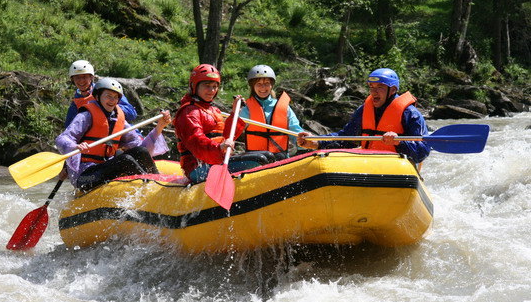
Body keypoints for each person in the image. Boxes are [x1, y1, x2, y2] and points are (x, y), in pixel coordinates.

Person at [56, 77, 171, 191]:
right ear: (97, 97)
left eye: (115, 97)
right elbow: (63, 138)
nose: (112, 100)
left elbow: (141, 147)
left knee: (141, 152)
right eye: (108, 96)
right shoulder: (86, 115)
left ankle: (158, 183)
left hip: (106, 166)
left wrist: (159, 127)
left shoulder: (118, 118)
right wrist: (75, 146)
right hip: (85, 176)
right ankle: (148, 188)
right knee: (125, 159)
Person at [297, 68, 431, 165]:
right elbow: (346, 138)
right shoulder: (364, 110)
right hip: (368, 163)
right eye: (371, 87)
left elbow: (422, 151)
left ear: (393, 90)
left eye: (379, 87)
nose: (374, 92)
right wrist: (317, 142)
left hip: (397, 167)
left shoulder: (411, 114)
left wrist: (399, 142)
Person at [173, 64, 269, 183]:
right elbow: (196, 141)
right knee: (260, 159)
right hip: (198, 169)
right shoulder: (188, 112)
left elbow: (226, 137)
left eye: (214, 86)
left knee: (268, 156)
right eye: (207, 86)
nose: (212, 90)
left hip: (217, 161)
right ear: (194, 86)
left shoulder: (213, 110)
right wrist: (219, 148)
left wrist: (234, 114)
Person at [239, 64, 304, 161]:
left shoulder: (284, 108)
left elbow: (295, 131)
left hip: (280, 159)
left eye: (267, 83)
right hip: (255, 160)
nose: (263, 87)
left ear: (271, 85)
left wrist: (303, 146)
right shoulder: (247, 109)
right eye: (259, 84)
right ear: (253, 86)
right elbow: (233, 130)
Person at [65, 60, 138, 127]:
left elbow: (132, 113)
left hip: (119, 134)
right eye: (77, 77)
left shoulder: (107, 89)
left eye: (84, 77)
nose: (81, 81)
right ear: (73, 80)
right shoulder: (76, 103)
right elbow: (69, 128)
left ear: (91, 77)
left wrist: (110, 107)